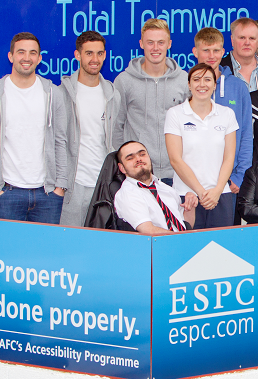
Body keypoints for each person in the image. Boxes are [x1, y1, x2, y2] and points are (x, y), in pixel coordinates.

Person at [0, 32, 68, 224]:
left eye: (32, 53)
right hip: (7, 193)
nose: (27, 58)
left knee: (44, 253)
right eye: (21, 52)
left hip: (48, 195)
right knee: (5, 253)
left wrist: (60, 186)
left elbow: (61, 141)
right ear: (11, 56)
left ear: (39, 58)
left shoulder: (53, 93)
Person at [113, 19, 188, 186]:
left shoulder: (183, 80)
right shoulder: (124, 81)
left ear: (169, 44)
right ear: (141, 44)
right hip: (138, 175)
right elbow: (117, 126)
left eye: (161, 42)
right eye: (150, 42)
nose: (155, 48)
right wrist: (126, 165)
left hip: (176, 173)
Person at [164, 63, 238, 229]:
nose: (202, 84)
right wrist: (201, 192)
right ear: (189, 85)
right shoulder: (175, 114)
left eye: (207, 80)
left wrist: (217, 190)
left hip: (220, 195)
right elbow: (175, 159)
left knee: (222, 251)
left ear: (214, 85)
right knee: (188, 251)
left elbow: (229, 157)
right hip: (187, 195)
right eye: (196, 80)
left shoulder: (227, 114)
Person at [192, 27, 253, 222]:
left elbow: (245, 133)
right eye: (206, 50)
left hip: (228, 183)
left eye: (216, 50)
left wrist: (239, 174)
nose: (211, 56)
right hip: (193, 184)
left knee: (223, 245)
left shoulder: (238, 87)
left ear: (223, 51)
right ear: (195, 52)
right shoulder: (186, 84)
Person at [59, 31, 119, 226]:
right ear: (78, 55)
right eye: (89, 53)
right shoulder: (62, 94)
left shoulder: (112, 94)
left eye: (100, 53)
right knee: (69, 247)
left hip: (103, 186)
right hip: (73, 187)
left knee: (101, 247)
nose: (95, 59)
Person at [114, 141, 196, 234]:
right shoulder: (127, 193)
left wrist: (190, 206)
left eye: (142, 154)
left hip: (180, 243)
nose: (138, 159)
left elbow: (186, 226)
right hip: (156, 246)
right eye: (130, 158)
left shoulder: (166, 188)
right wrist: (182, 240)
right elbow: (148, 230)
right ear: (122, 168)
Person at [219, 18, 258, 92]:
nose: (247, 43)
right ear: (232, 40)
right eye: (242, 38)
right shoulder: (219, 68)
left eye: (252, 38)